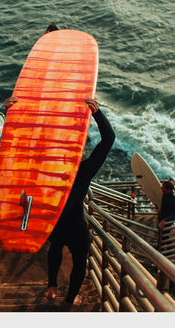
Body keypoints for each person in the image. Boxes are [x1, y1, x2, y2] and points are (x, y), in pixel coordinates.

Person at [6, 96, 115, 306]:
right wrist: (97, 113)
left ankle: (52, 288)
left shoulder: (40, 171)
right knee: (80, 262)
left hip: (53, 224)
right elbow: (109, 139)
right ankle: (70, 300)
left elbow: (14, 147)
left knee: (55, 247)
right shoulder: (80, 172)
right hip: (76, 227)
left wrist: (11, 114)